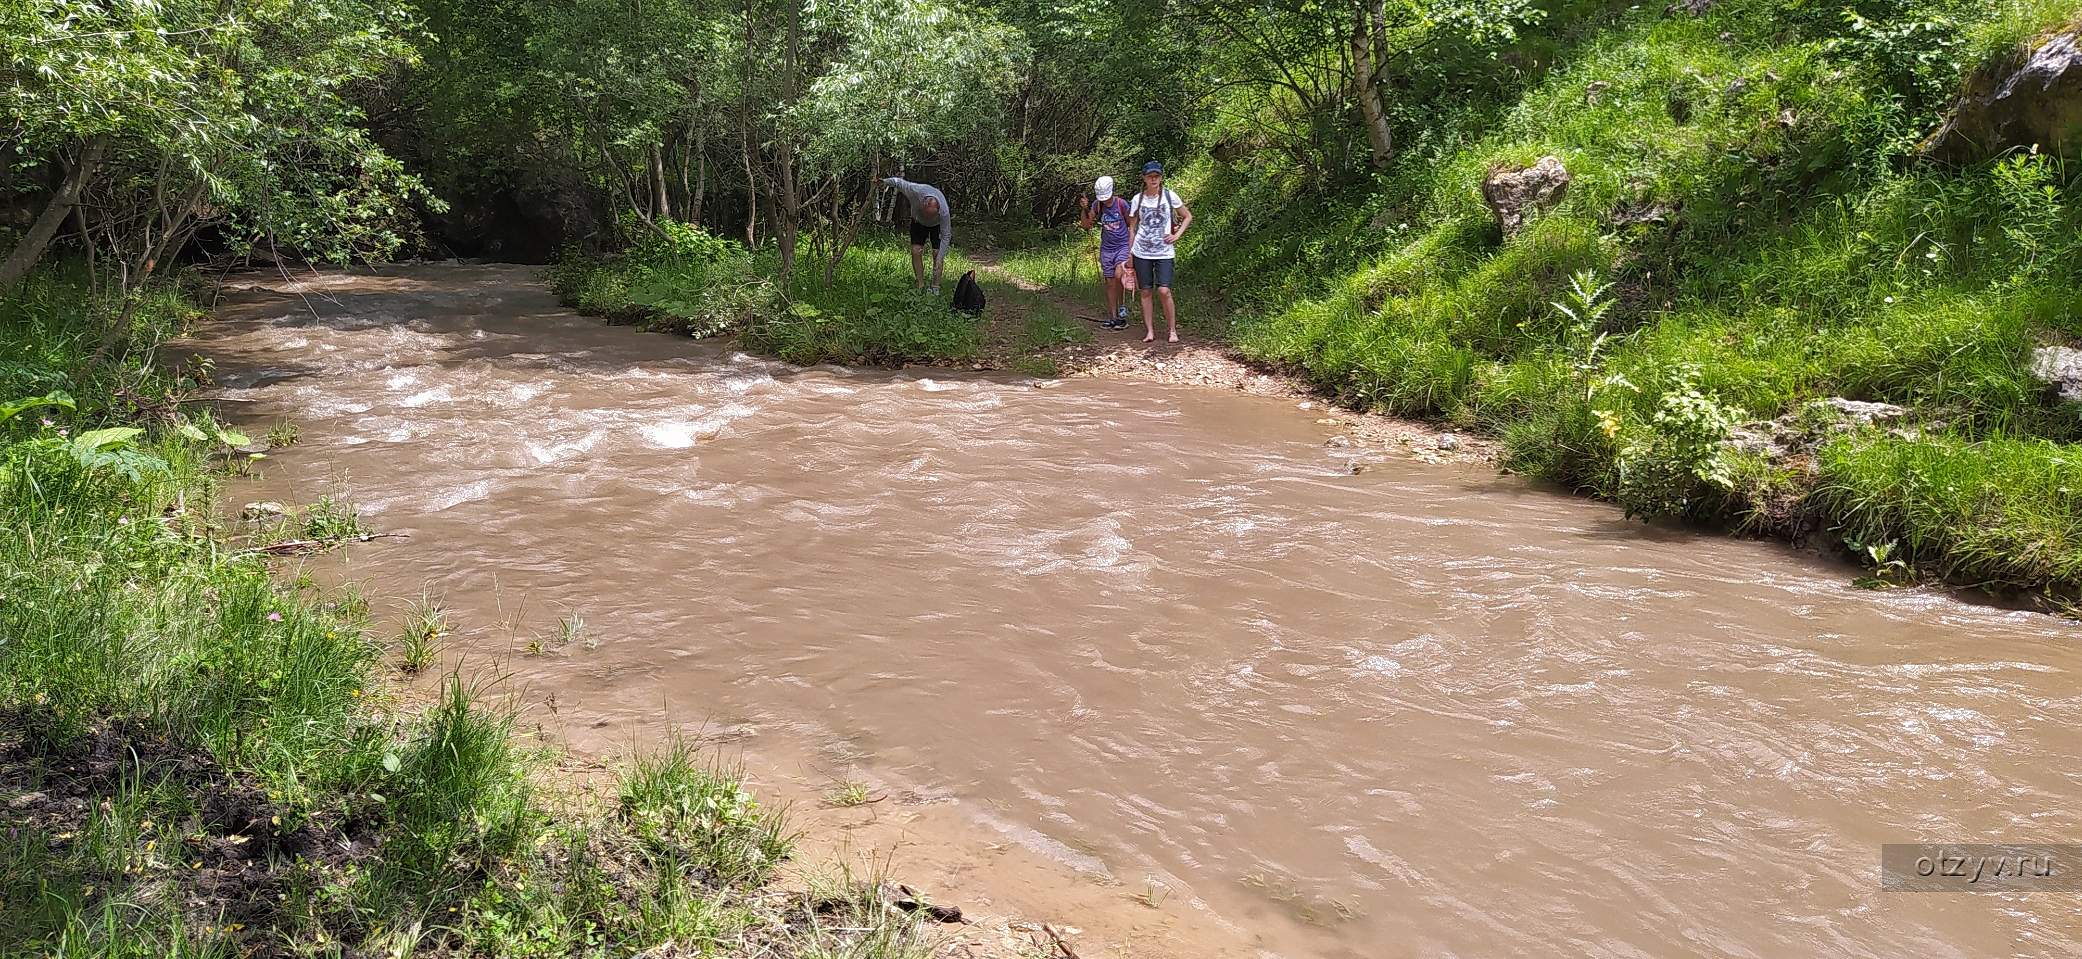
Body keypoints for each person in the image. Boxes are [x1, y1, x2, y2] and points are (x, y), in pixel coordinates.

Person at [1126, 161, 1191, 343]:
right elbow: (1132, 228)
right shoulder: (1137, 199)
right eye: (1150, 176)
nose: (1154, 179)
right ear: (1144, 178)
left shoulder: (1170, 196)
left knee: (1164, 290)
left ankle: (1172, 330)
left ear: (1161, 178)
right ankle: (1150, 331)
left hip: (1164, 252)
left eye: (1157, 176)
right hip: (1142, 251)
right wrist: (1129, 253)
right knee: (1145, 291)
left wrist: (1177, 235)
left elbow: (1187, 216)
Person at [1077, 176, 1132, 330]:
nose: (1105, 200)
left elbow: (1131, 225)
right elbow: (1087, 225)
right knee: (1109, 282)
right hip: (1106, 249)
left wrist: (1131, 249)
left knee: (1119, 276)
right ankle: (1113, 317)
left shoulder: (1122, 204)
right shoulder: (1097, 205)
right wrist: (1084, 209)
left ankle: (1122, 311)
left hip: (1122, 246)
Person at [882, 176, 952, 294]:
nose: (928, 217)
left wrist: (940, 257)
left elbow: (946, 235)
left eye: (931, 215)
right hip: (918, 222)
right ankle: (920, 285)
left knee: (936, 253)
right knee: (916, 251)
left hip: (937, 226)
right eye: (926, 214)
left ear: (938, 210)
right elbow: (899, 183)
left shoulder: (944, 212)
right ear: (922, 204)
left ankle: (935, 287)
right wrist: (883, 182)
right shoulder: (915, 191)